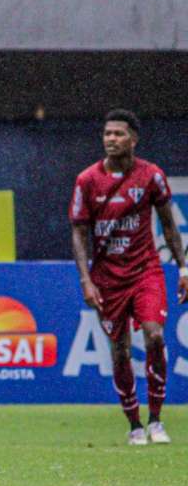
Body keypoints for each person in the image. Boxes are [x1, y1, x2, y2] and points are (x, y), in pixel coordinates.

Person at [70, 109, 187, 445]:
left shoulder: (151, 176)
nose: (111, 139)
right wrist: (85, 280)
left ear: (133, 140)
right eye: (107, 133)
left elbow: (168, 225)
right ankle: (134, 423)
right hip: (106, 279)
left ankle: (156, 419)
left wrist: (183, 269)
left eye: (119, 134)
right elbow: (78, 233)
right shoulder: (87, 181)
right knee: (119, 351)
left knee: (154, 336)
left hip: (145, 270)